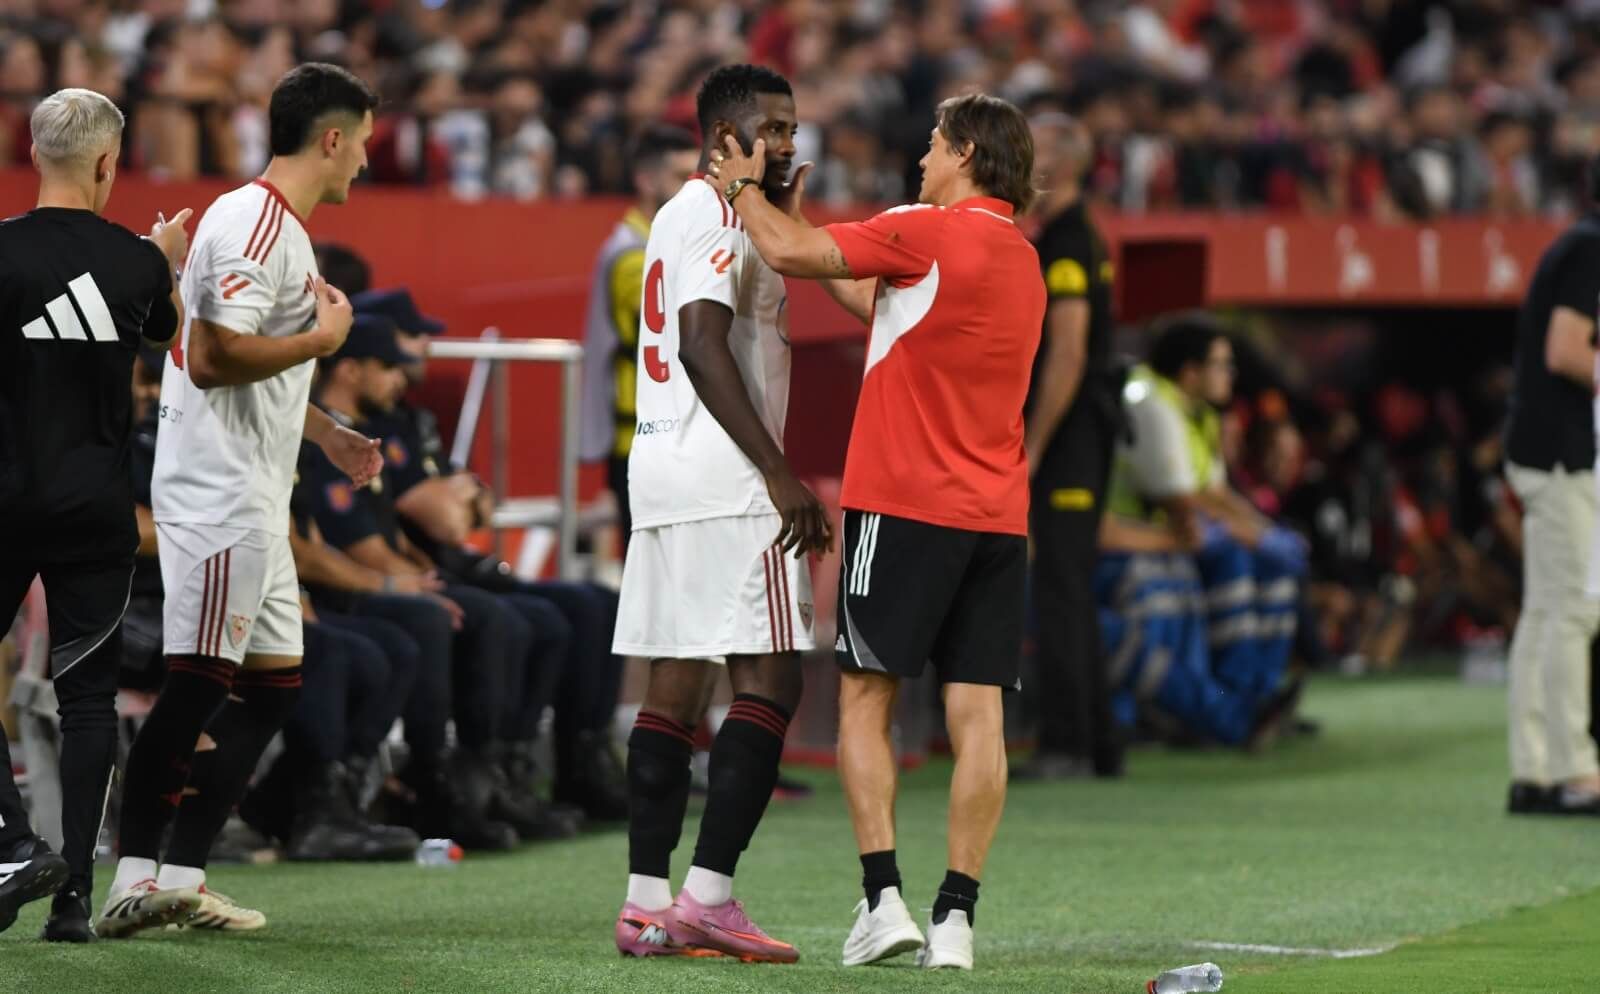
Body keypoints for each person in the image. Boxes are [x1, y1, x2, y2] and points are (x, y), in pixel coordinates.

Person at [711, 91, 1045, 970]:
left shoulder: (923, 227)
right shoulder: (1023, 259)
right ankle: (957, 919)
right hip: (996, 518)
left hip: (903, 506)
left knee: (868, 696)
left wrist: (742, 187)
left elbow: (783, 252)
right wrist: (795, 214)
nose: (924, 158)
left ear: (967, 153)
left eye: (936, 144)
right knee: (979, 716)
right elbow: (887, 304)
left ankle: (882, 898)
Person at [99, 63, 381, 940]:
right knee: (197, 687)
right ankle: (132, 877)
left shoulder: (268, 224)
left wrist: (325, 427)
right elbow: (219, 357)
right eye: (363, 142)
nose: (367, 162)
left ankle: (180, 876)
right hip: (220, 497)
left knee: (271, 691)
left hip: (253, 491)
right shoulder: (256, 223)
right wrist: (326, 337)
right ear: (330, 138)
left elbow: (212, 354)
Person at [611, 64, 828, 965]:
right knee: (772, 683)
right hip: (729, 481)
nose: (786, 142)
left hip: (663, 472)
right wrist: (779, 471)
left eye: (791, 127)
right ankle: (710, 897)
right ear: (722, 136)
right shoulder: (710, 210)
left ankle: (646, 902)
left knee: (675, 684)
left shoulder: (685, 214)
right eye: (770, 128)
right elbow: (702, 339)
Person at [0, 87, 190, 942]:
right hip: (96, 507)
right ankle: (71, 896)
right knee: (86, 699)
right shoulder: (139, 265)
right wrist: (165, 258)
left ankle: (10, 840)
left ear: (34, 154)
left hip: (4, 496)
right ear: (110, 164)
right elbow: (164, 333)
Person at [354, 287, 628, 824]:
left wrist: (467, 497)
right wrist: (465, 498)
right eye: (412, 338)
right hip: (424, 572)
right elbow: (453, 518)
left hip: (445, 565)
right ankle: (481, 773)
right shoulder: (377, 430)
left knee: (598, 603)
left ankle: (578, 762)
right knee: (525, 620)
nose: (424, 348)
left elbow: (475, 500)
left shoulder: (412, 420)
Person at [1102, 316, 1304, 744]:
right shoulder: (1152, 404)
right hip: (1131, 545)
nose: (1230, 375)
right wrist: (1253, 537)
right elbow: (1181, 500)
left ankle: (1254, 700)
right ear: (1190, 372)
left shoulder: (1198, 414)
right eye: (1221, 365)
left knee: (1272, 573)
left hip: (1161, 540)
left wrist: (1264, 531)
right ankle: (1225, 710)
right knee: (1211, 571)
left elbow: (1212, 492)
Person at [1014, 109, 1125, 782]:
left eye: (1034, 151)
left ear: (1062, 164)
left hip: (1071, 440)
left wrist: (1031, 446)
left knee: (1058, 587)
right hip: (1087, 434)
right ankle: (1097, 742)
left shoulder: (1066, 242)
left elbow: (1068, 353)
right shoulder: (1079, 237)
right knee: (1070, 588)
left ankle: (1066, 743)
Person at [1504, 156, 1600, 817]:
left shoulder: (1579, 242)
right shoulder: (1592, 248)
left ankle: (1534, 769)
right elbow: (1566, 351)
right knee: (1572, 610)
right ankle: (1575, 771)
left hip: (1544, 448)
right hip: (1562, 453)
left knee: (1545, 611)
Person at [578, 124, 701, 537]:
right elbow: (689, 325)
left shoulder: (655, 246)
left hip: (661, 436)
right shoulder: (633, 256)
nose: (695, 189)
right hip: (642, 440)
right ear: (646, 180)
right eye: (682, 177)